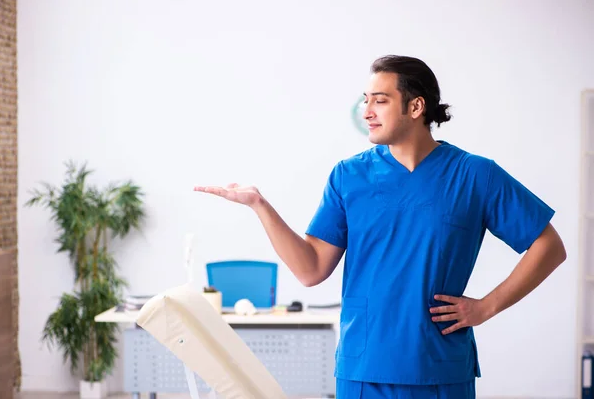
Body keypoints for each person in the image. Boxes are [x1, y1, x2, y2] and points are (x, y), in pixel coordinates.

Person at [193, 55, 567, 399]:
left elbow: (549, 246)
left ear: (416, 106)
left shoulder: (475, 175)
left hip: (439, 367)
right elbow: (310, 270)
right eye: (365, 100)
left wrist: (487, 306)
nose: (367, 112)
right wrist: (260, 206)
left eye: (380, 100)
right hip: (363, 368)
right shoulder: (349, 175)